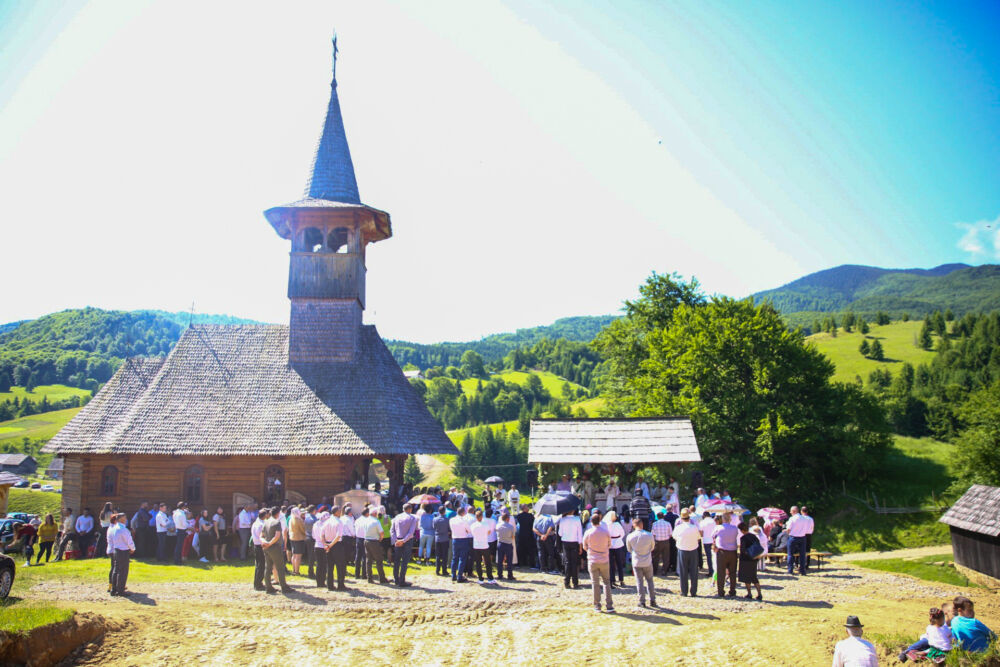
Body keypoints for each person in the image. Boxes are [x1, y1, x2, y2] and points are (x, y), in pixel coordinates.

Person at [582, 513, 614, 612]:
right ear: (600, 520)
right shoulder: (605, 532)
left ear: (591, 522)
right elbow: (609, 544)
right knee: (606, 582)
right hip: (604, 559)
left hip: (592, 560)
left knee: (595, 583)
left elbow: (584, 546)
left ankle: (597, 605)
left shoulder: (588, 532)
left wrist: (590, 551)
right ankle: (609, 605)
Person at [625, 516, 656, 608]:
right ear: (642, 524)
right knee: (650, 580)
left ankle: (642, 601)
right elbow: (652, 547)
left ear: (634, 525)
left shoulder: (630, 536)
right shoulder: (649, 535)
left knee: (639, 581)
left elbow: (629, 549)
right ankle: (652, 600)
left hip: (637, 561)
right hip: (647, 561)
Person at [262, 507, 292, 594]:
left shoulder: (266, 522)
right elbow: (277, 535)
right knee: (280, 567)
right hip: (274, 547)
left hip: (266, 547)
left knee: (268, 567)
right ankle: (284, 587)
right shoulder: (277, 522)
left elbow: (261, 535)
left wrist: (265, 542)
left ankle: (268, 587)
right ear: (278, 513)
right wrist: (270, 543)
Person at [356, 506, 388, 584]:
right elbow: (382, 532)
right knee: (379, 560)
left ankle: (369, 578)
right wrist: (380, 538)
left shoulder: (365, 521)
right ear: (374, 513)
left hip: (366, 540)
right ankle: (382, 578)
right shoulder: (376, 521)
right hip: (374, 541)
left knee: (368, 560)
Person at [673, 508, 701, 596]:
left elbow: (674, 537)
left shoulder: (678, 528)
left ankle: (684, 591)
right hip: (693, 550)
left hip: (682, 550)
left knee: (683, 571)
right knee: (694, 572)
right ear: (689, 518)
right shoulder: (694, 527)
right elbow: (698, 538)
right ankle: (693, 591)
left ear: (681, 518)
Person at [108, 513, 135, 596]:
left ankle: (114, 589)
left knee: (116, 570)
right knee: (123, 571)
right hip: (123, 551)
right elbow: (129, 541)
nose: (126, 519)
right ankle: (120, 590)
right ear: (120, 519)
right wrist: (133, 548)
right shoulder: (123, 529)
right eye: (124, 518)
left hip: (116, 550)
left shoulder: (114, 528)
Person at [390, 503, 418, 586]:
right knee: (404, 561)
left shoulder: (397, 517)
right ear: (410, 509)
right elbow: (411, 532)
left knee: (397, 560)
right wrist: (403, 540)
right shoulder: (412, 518)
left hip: (398, 539)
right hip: (407, 541)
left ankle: (396, 579)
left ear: (403, 509)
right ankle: (402, 580)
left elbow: (392, 530)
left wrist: (396, 540)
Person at [713, 512, 739, 597]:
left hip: (722, 552)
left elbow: (712, 536)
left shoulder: (718, 528)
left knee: (721, 572)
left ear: (723, 519)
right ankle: (732, 590)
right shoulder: (735, 528)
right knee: (732, 572)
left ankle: (721, 591)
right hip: (733, 551)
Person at [737, 522, 762, 601]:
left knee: (747, 578)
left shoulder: (743, 538)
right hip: (754, 558)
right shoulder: (754, 536)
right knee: (754, 577)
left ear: (741, 530)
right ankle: (759, 594)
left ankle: (749, 593)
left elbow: (743, 550)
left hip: (746, 560)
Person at [323, 505, 346, 592]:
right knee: (340, 565)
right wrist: (331, 545)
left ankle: (330, 585)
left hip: (328, 543)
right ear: (336, 512)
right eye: (339, 511)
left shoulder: (327, 521)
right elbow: (338, 536)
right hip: (336, 544)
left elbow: (322, 535)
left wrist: (326, 544)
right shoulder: (339, 522)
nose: (340, 512)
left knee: (330, 565)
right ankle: (340, 584)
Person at [558, 510, 583, 589]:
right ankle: (575, 582)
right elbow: (580, 534)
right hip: (574, 542)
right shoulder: (577, 519)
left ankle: (567, 581)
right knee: (574, 563)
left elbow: (560, 533)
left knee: (567, 562)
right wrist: (580, 546)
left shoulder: (562, 519)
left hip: (565, 542)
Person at [470, 509, 496, 584]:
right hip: (484, 545)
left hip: (476, 545)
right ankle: (490, 578)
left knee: (478, 563)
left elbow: (472, 533)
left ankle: (480, 578)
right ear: (481, 516)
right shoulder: (485, 525)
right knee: (488, 563)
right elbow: (488, 532)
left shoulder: (473, 525)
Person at [603, 510, 626, 587]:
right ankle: (621, 579)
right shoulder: (617, 524)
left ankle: (612, 579)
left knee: (611, 564)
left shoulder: (606, 525)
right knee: (619, 563)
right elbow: (622, 533)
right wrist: (618, 539)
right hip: (618, 544)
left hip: (609, 545)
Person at [449, 506, 472, 583]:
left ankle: (453, 575)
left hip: (455, 539)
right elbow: (469, 530)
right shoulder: (464, 521)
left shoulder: (452, 520)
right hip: (463, 539)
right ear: (463, 513)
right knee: (462, 558)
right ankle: (459, 575)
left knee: (455, 557)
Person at [786, 506, 809, 575]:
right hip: (802, 537)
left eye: (791, 511)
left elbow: (788, 529)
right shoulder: (804, 518)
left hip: (793, 537)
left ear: (794, 511)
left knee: (790, 554)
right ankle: (802, 570)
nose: (790, 512)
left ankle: (790, 570)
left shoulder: (792, 519)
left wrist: (788, 533)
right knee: (802, 555)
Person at [650, 512, 673, 576]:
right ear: (663, 516)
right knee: (666, 557)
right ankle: (664, 571)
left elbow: (653, 534)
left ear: (657, 517)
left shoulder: (654, 524)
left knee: (655, 557)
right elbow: (671, 534)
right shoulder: (668, 523)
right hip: (666, 541)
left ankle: (655, 570)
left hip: (657, 542)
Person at [311, 509, 328, 589]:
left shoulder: (315, 524)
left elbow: (313, 536)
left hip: (317, 545)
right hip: (323, 545)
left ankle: (318, 582)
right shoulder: (325, 525)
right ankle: (322, 581)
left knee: (318, 564)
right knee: (324, 565)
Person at [496, 512, 515, 581]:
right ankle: (510, 575)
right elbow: (513, 537)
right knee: (509, 560)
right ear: (507, 518)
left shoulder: (498, 526)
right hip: (508, 544)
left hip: (500, 543)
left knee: (500, 560)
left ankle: (499, 574)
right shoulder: (510, 527)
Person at [515, 504, 536, 569]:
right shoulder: (530, 516)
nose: (528, 508)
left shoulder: (518, 516)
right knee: (530, 550)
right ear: (524, 508)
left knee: (520, 550)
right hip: (529, 534)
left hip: (521, 535)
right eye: (527, 507)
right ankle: (532, 564)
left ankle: (518, 563)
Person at [433, 505, 451, 577]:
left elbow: (434, 527)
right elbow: (449, 528)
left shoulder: (435, 519)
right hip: (445, 538)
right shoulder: (447, 520)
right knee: (444, 555)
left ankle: (437, 570)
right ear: (444, 511)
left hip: (437, 538)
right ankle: (444, 570)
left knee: (438, 555)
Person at [288, 507, 306, 575]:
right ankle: (297, 571)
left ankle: (294, 569)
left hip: (292, 537)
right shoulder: (299, 520)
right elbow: (303, 529)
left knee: (294, 555)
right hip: (299, 538)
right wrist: (305, 534)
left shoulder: (291, 519)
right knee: (298, 556)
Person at [699, 511, 716, 576]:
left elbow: (701, 532)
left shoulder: (702, 522)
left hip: (706, 540)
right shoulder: (713, 521)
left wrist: (703, 535)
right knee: (715, 556)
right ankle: (715, 570)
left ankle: (711, 571)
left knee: (709, 557)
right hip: (713, 540)